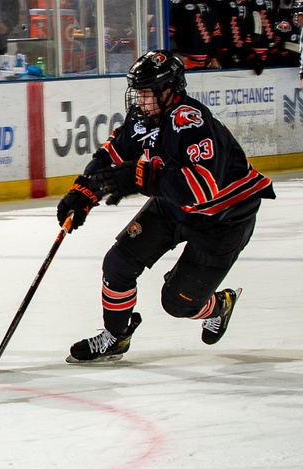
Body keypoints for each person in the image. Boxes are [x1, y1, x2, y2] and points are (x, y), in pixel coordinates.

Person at [56, 50, 275, 363]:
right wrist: (82, 192)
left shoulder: (191, 123)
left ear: (170, 90)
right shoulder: (142, 118)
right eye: (138, 93)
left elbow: (200, 190)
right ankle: (116, 337)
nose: (141, 101)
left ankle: (219, 305)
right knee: (118, 265)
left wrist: (137, 178)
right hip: (172, 207)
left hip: (223, 218)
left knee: (178, 303)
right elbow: (110, 157)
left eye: (148, 93)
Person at [168, 0, 221, 69]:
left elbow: (215, 34)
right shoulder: (179, 7)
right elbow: (168, 33)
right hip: (184, 61)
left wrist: (213, 58)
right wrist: (174, 54)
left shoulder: (211, 7)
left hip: (204, 62)